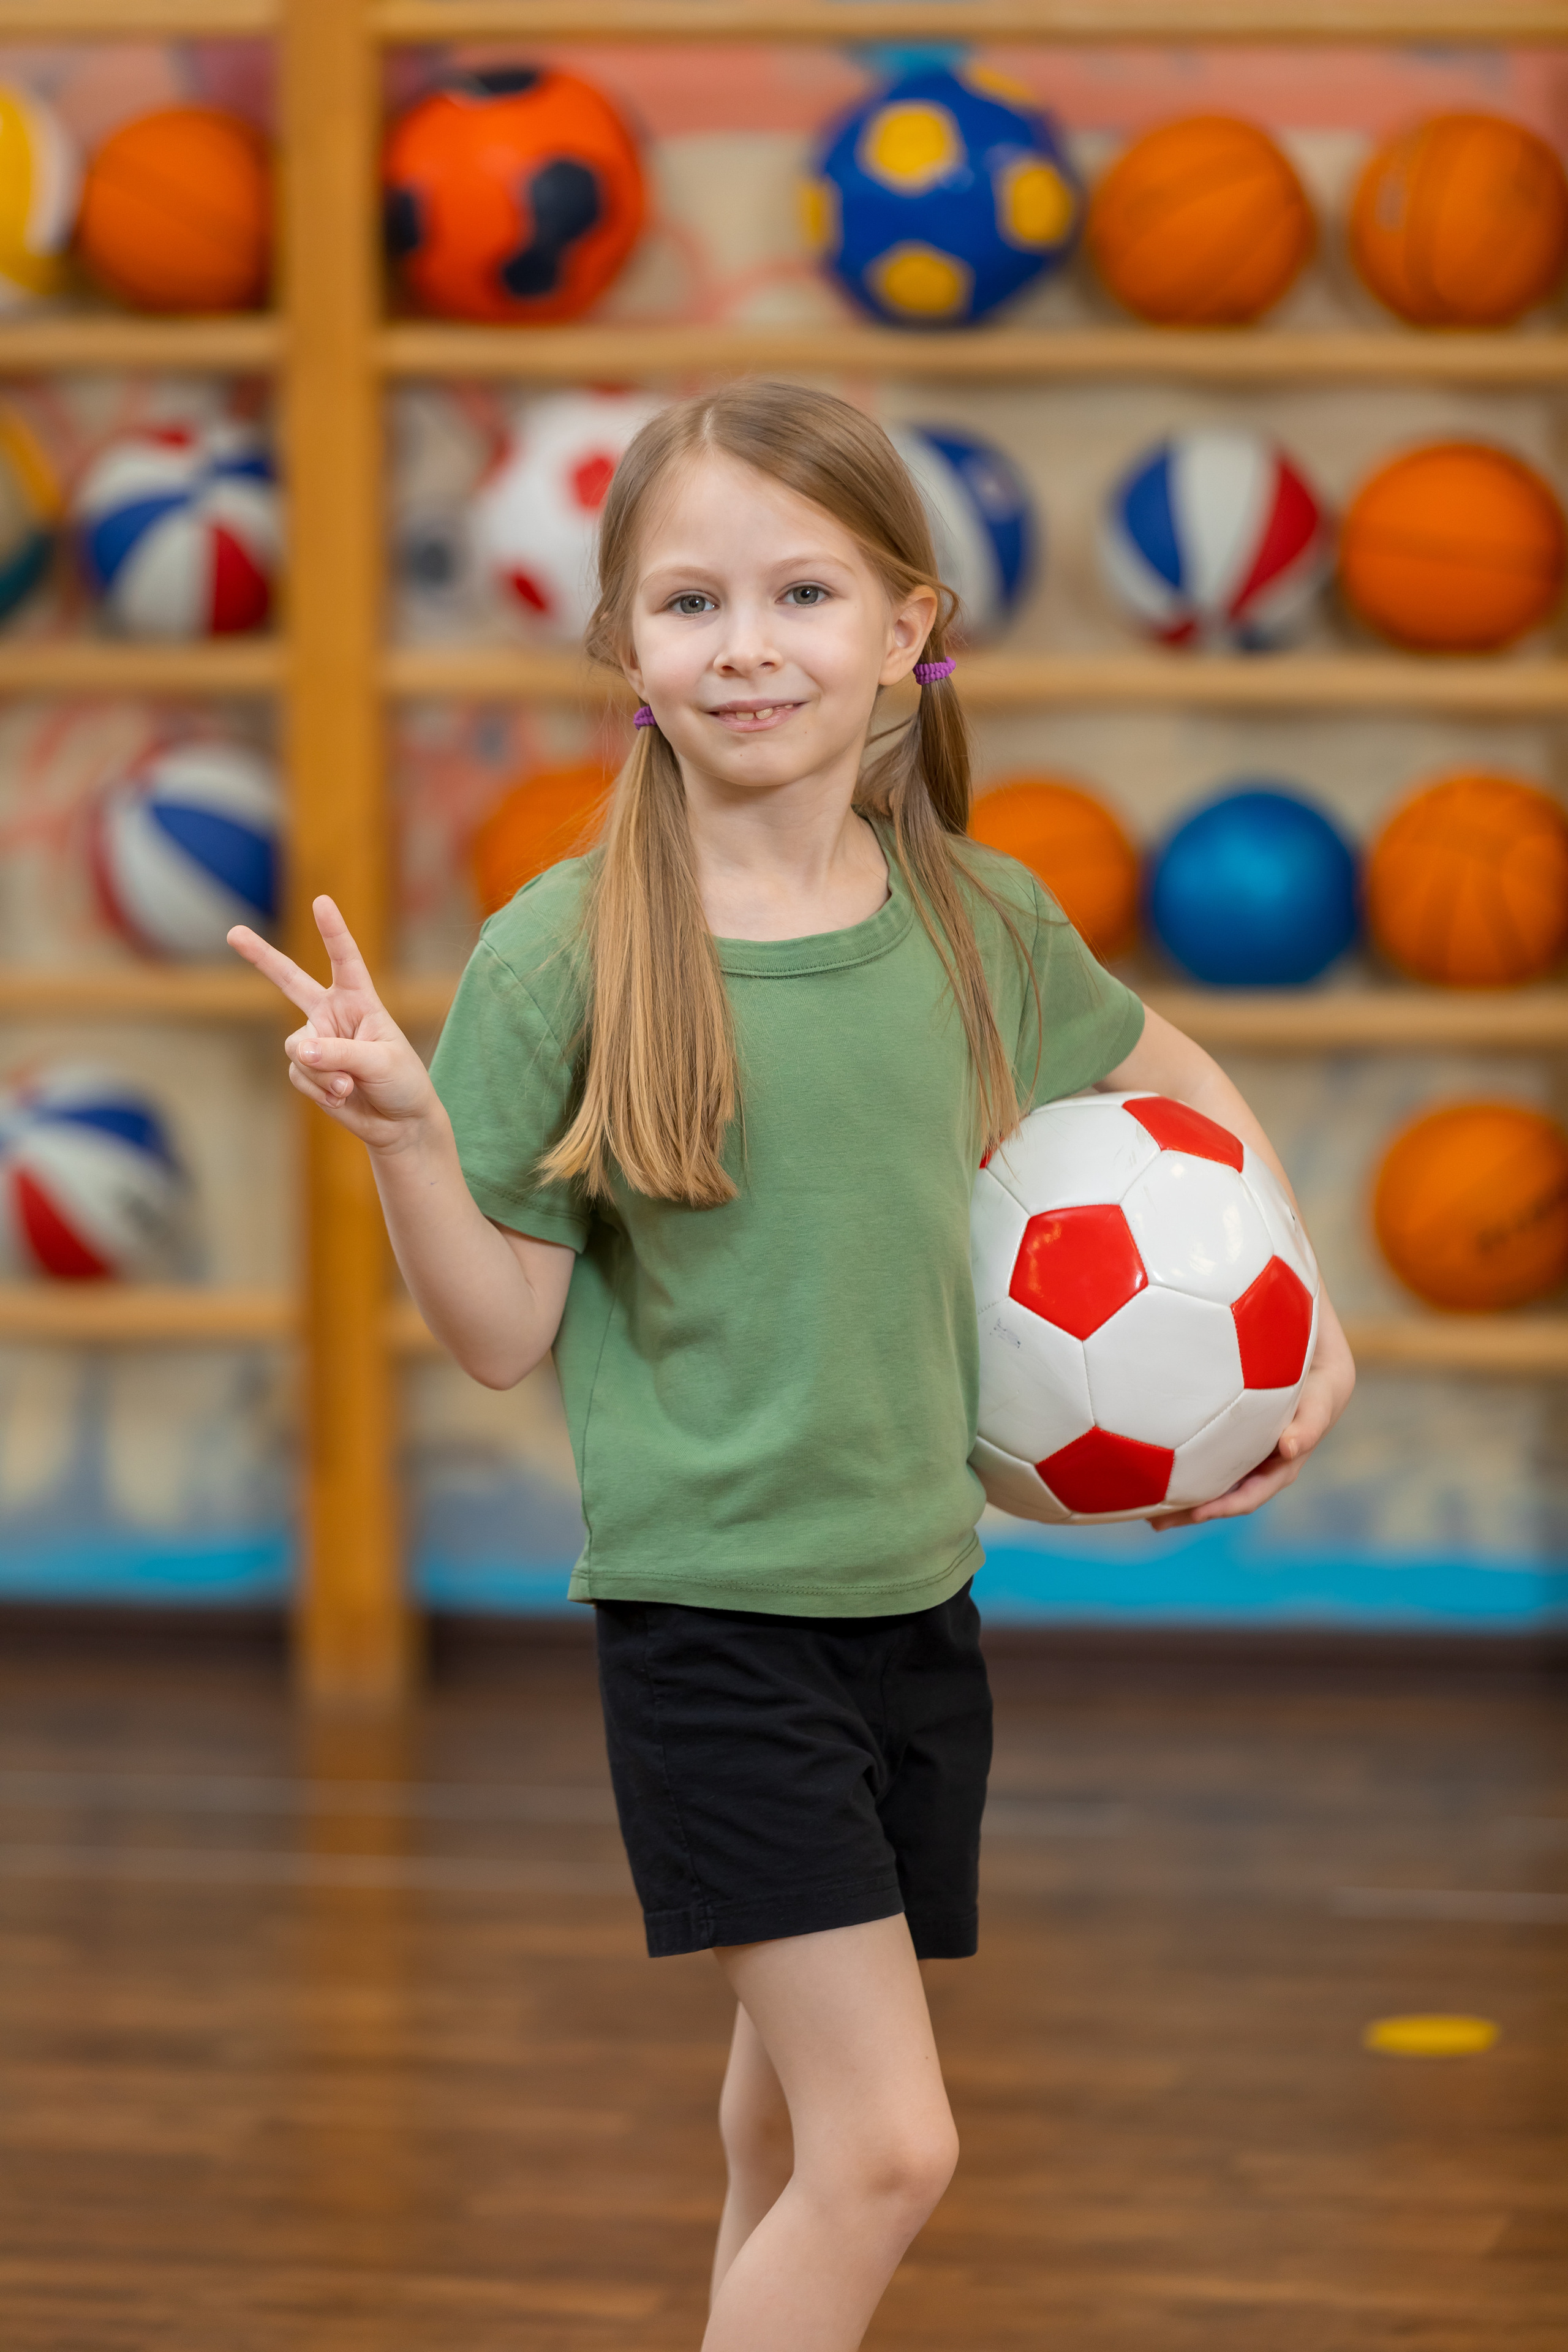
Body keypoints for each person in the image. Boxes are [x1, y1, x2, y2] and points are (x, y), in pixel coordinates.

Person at [231, 382, 1355, 2352]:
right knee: (886, 2151)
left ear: (910, 628)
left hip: (918, 1607)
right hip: (713, 1632)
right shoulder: (562, 955)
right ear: (624, 650)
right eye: (688, 603)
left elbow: (1169, 1072)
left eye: (803, 592)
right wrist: (411, 1136)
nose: (746, 644)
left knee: (781, 2120)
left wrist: (1307, 1299)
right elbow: (501, 1340)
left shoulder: (975, 914)